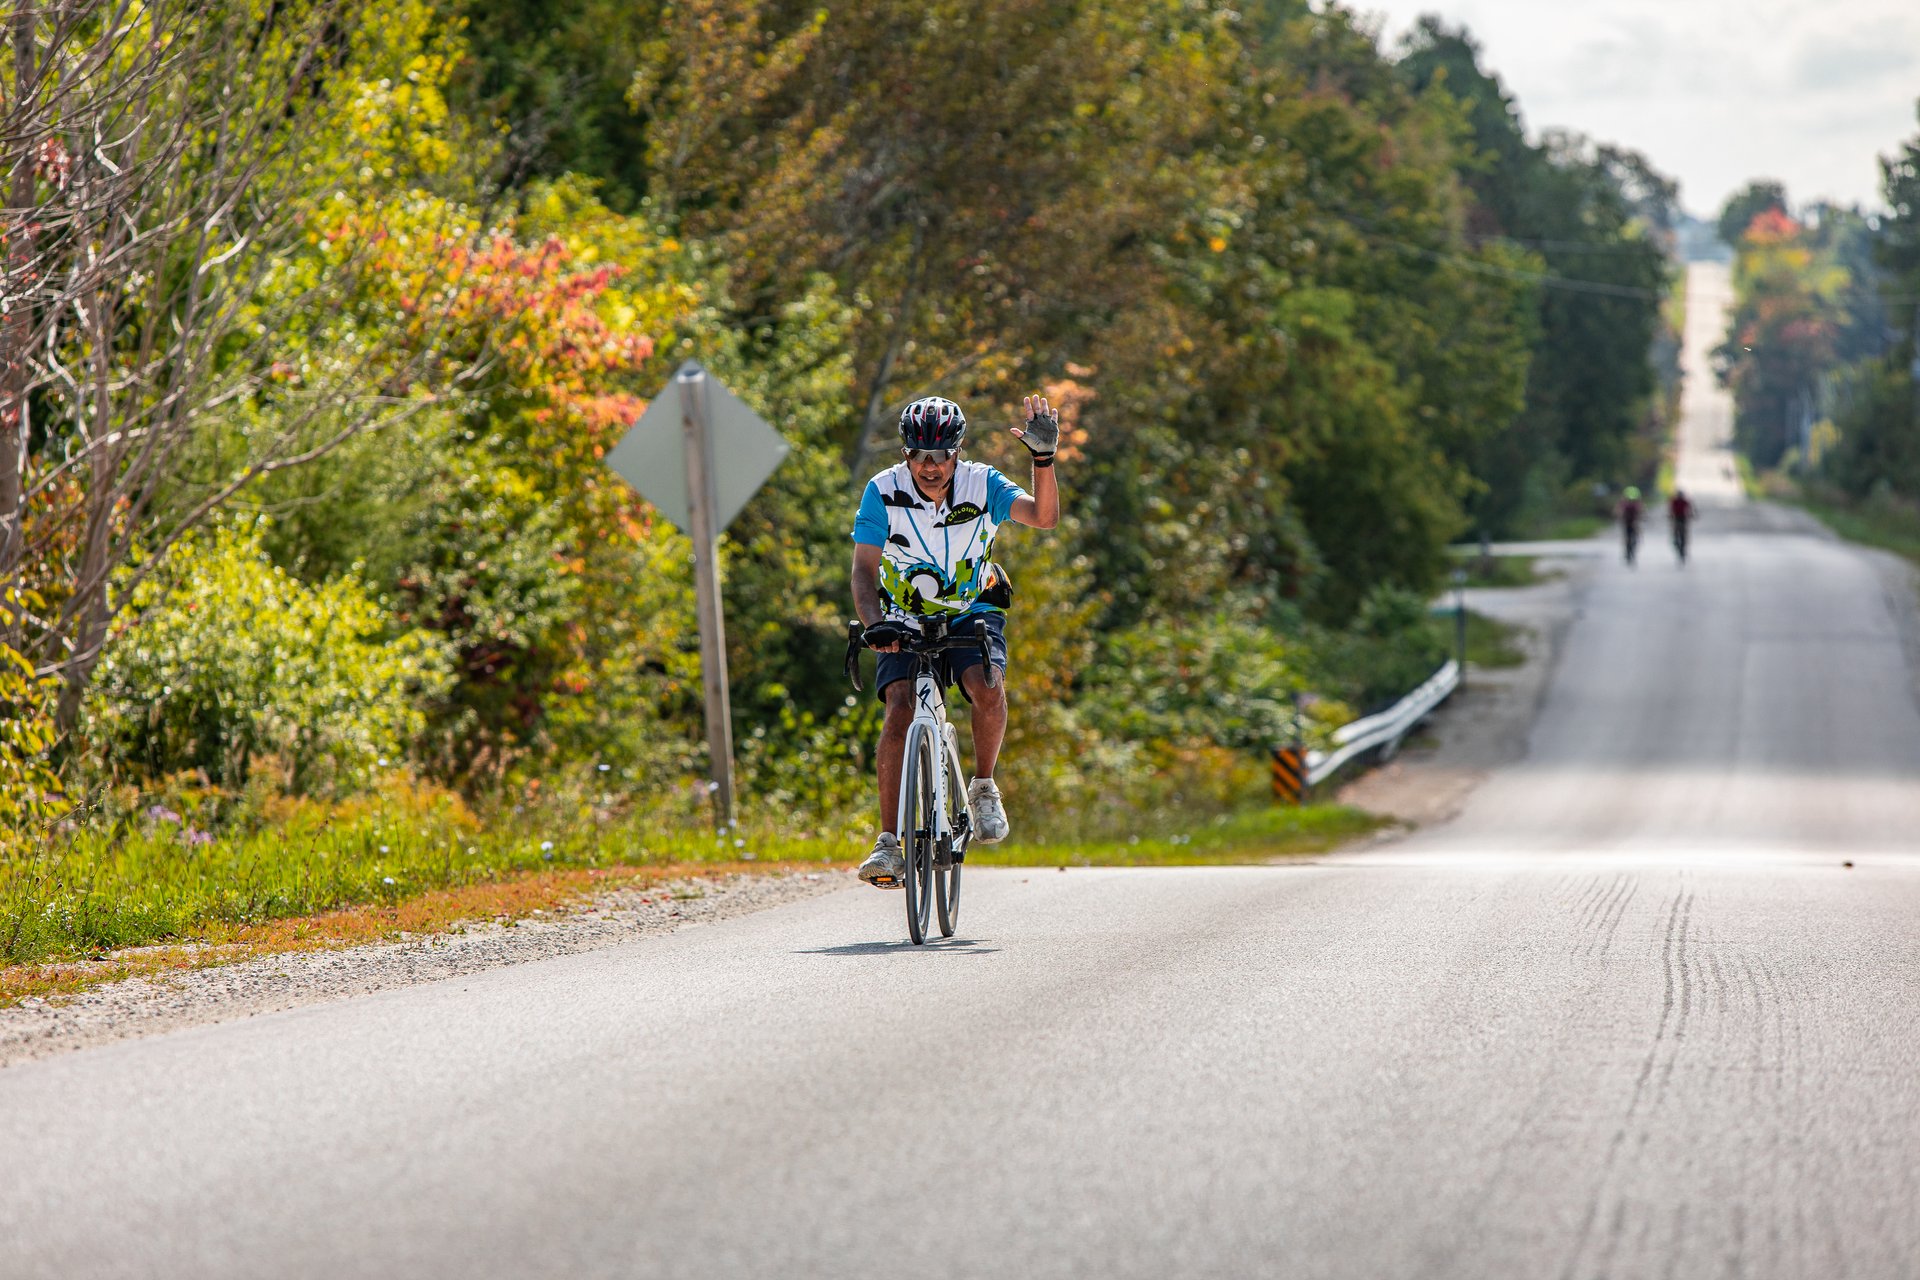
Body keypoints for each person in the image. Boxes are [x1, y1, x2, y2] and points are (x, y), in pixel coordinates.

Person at [850, 394, 1061, 888]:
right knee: (899, 708)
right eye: (919, 455)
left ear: (957, 451)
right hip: (902, 612)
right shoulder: (882, 491)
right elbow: (863, 572)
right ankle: (887, 844)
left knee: (986, 684)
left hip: (972, 607)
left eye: (940, 455)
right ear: (905, 454)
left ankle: (984, 785)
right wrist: (874, 623)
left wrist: (1043, 460)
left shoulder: (982, 483)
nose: (929, 466)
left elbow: (1043, 517)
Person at [1618, 486, 1644, 566]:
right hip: (1627, 521)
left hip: (1633, 521)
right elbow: (1619, 511)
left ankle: (1630, 546)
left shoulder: (1636, 504)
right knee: (1628, 535)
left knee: (1634, 534)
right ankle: (1627, 548)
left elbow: (1641, 511)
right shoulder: (1625, 503)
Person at [1668, 488, 1695, 564]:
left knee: (1685, 533)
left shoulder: (1685, 501)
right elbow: (1670, 510)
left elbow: (1690, 509)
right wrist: (1670, 516)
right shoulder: (1674, 501)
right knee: (1675, 531)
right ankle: (1675, 541)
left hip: (1683, 519)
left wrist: (1692, 515)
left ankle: (1684, 546)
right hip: (1676, 518)